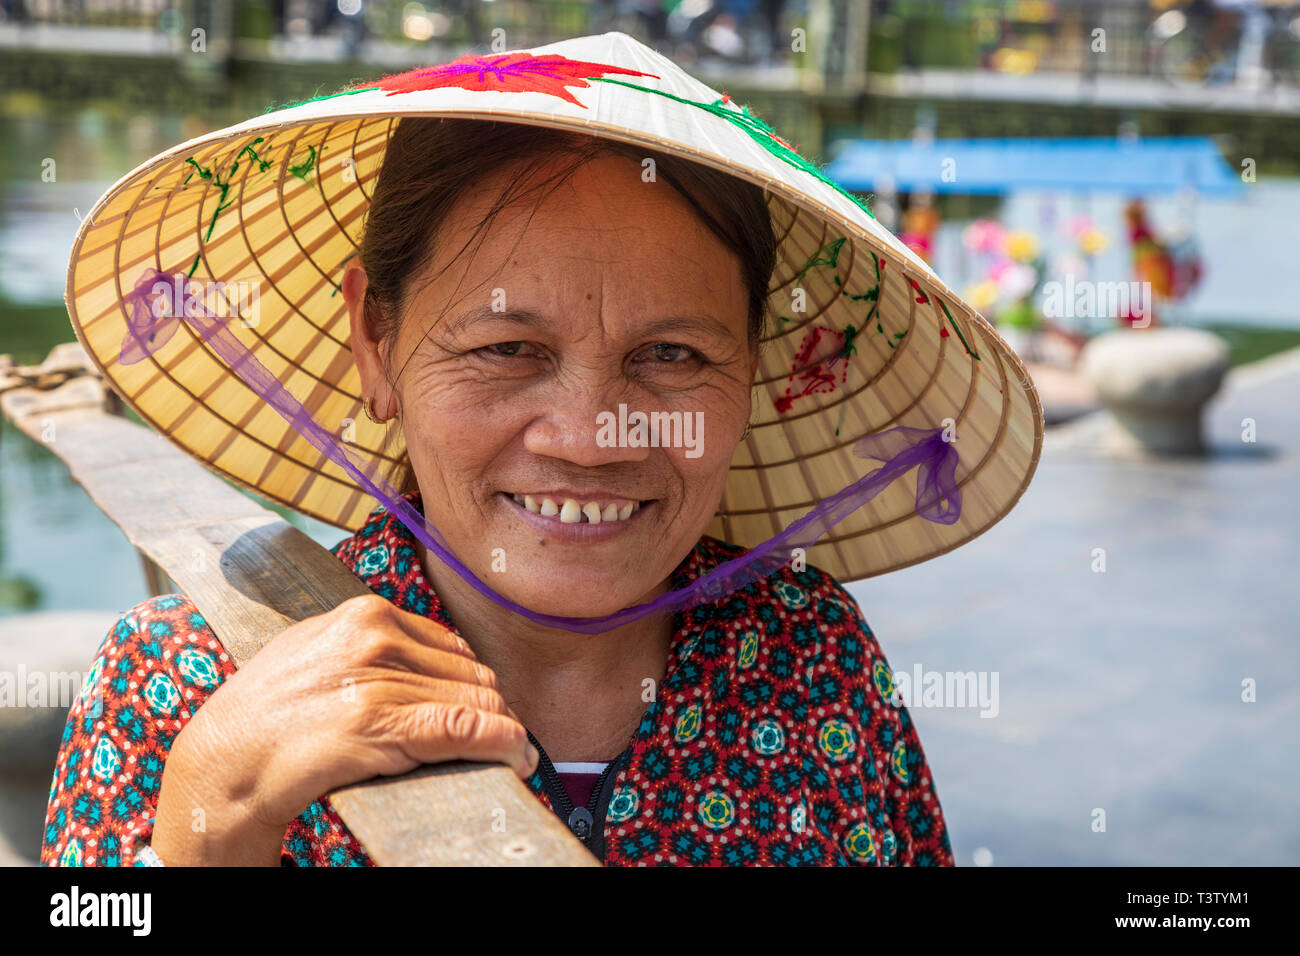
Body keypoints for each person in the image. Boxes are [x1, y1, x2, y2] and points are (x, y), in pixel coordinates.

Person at [43, 33, 1042, 867]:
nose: (587, 436)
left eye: (670, 354)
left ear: (747, 372)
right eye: (506, 349)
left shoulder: (811, 655)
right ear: (375, 346)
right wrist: (211, 820)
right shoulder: (183, 684)